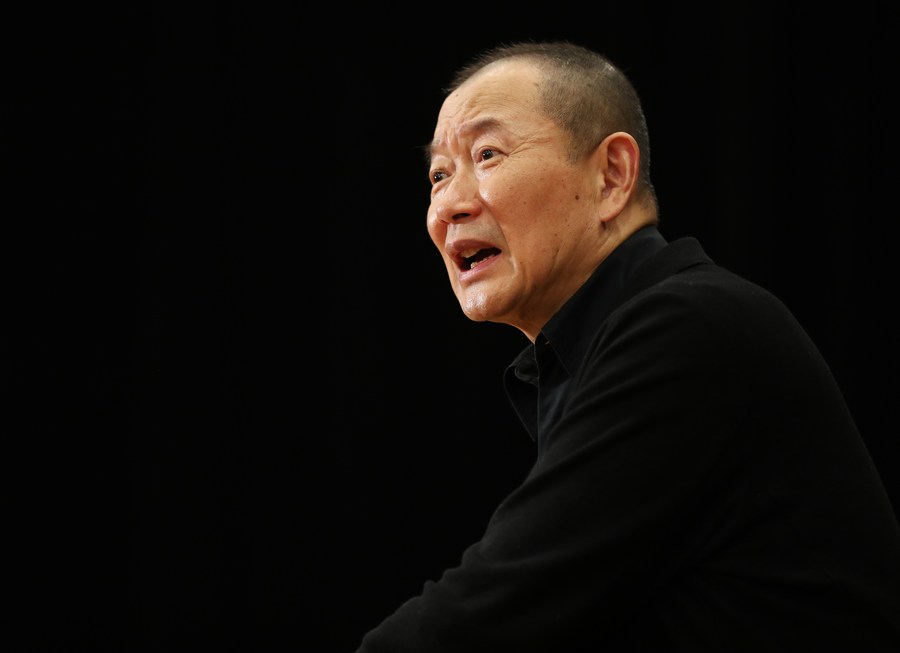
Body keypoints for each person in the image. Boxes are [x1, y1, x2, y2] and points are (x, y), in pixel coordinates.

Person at [354, 41, 900, 652]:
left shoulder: (689, 327)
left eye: (487, 155)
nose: (449, 206)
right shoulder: (599, 350)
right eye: (438, 175)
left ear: (612, 175)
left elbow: (499, 605)